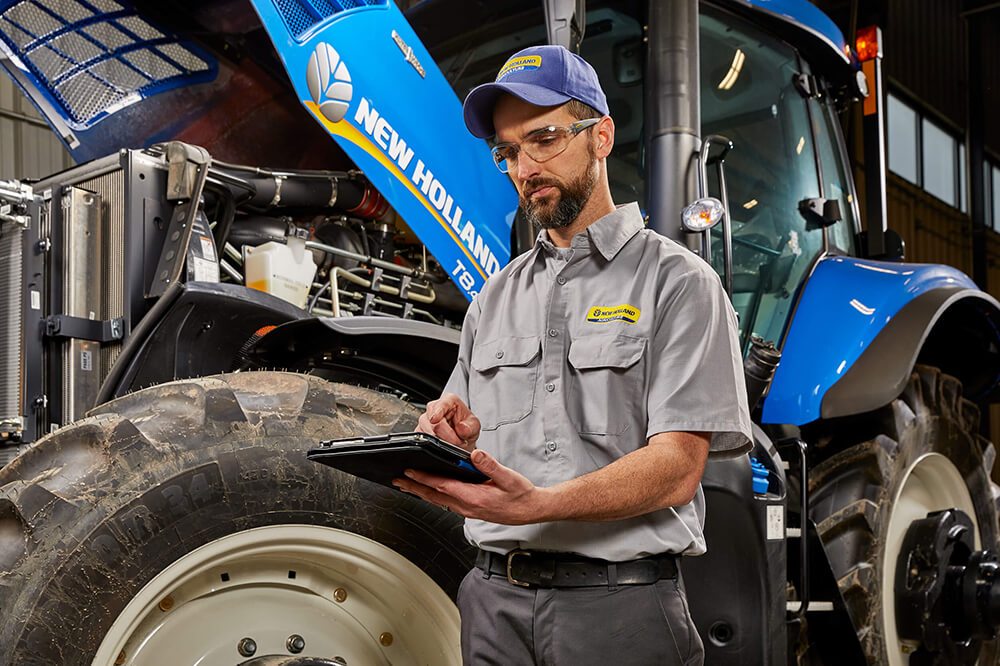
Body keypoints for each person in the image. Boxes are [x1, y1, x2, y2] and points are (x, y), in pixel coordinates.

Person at [393, 44, 752, 665]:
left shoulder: (678, 283)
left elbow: (677, 467)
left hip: (619, 613)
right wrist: (449, 435)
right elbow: (461, 428)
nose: (524, 167)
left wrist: (541, 506)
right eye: (508, 152)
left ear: (601, 136)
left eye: (544, 138)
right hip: (492, 604)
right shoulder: (493, 299)